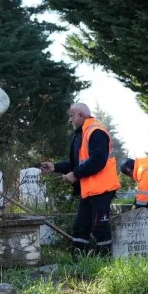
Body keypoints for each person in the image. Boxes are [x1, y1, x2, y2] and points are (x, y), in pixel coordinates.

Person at [40, 103, 121, 257]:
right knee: (80, 227)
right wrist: (55, 167)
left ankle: (104, 265)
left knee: (99, 228)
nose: (69, 120)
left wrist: (75, 174)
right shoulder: (81, 134)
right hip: (89, 190)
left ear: (80, 116)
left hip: (102, 189)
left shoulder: (96, 132)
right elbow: (77, 163)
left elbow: (98, 161)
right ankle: (77, 262)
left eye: (71, 116)